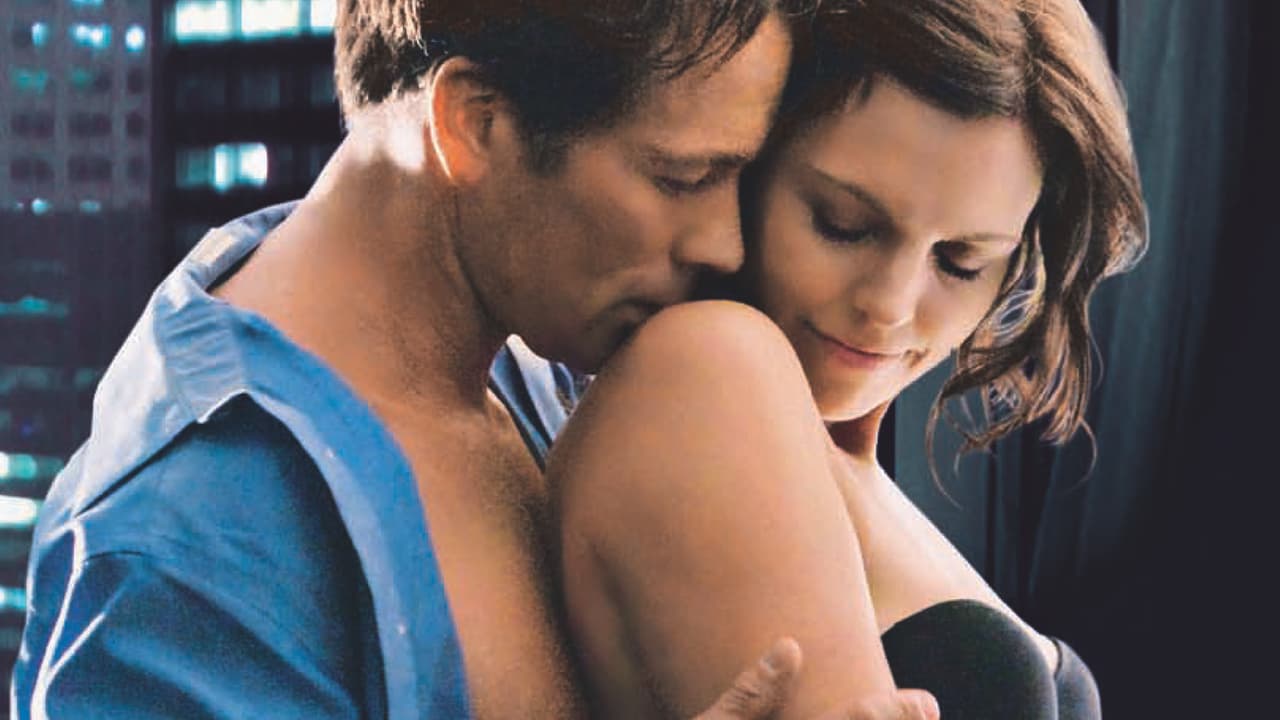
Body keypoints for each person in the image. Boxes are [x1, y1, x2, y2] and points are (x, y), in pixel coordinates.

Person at [11, 1, 940, 718]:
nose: (725, 244)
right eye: (683, 178)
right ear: (474, 123)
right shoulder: (177, 557)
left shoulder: (547, 352)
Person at [548, 0, 1147, 718]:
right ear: (751, 162)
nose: (890, 306)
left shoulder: (825, 445)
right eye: (845, 225)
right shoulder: (708, 368)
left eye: (961, 261)